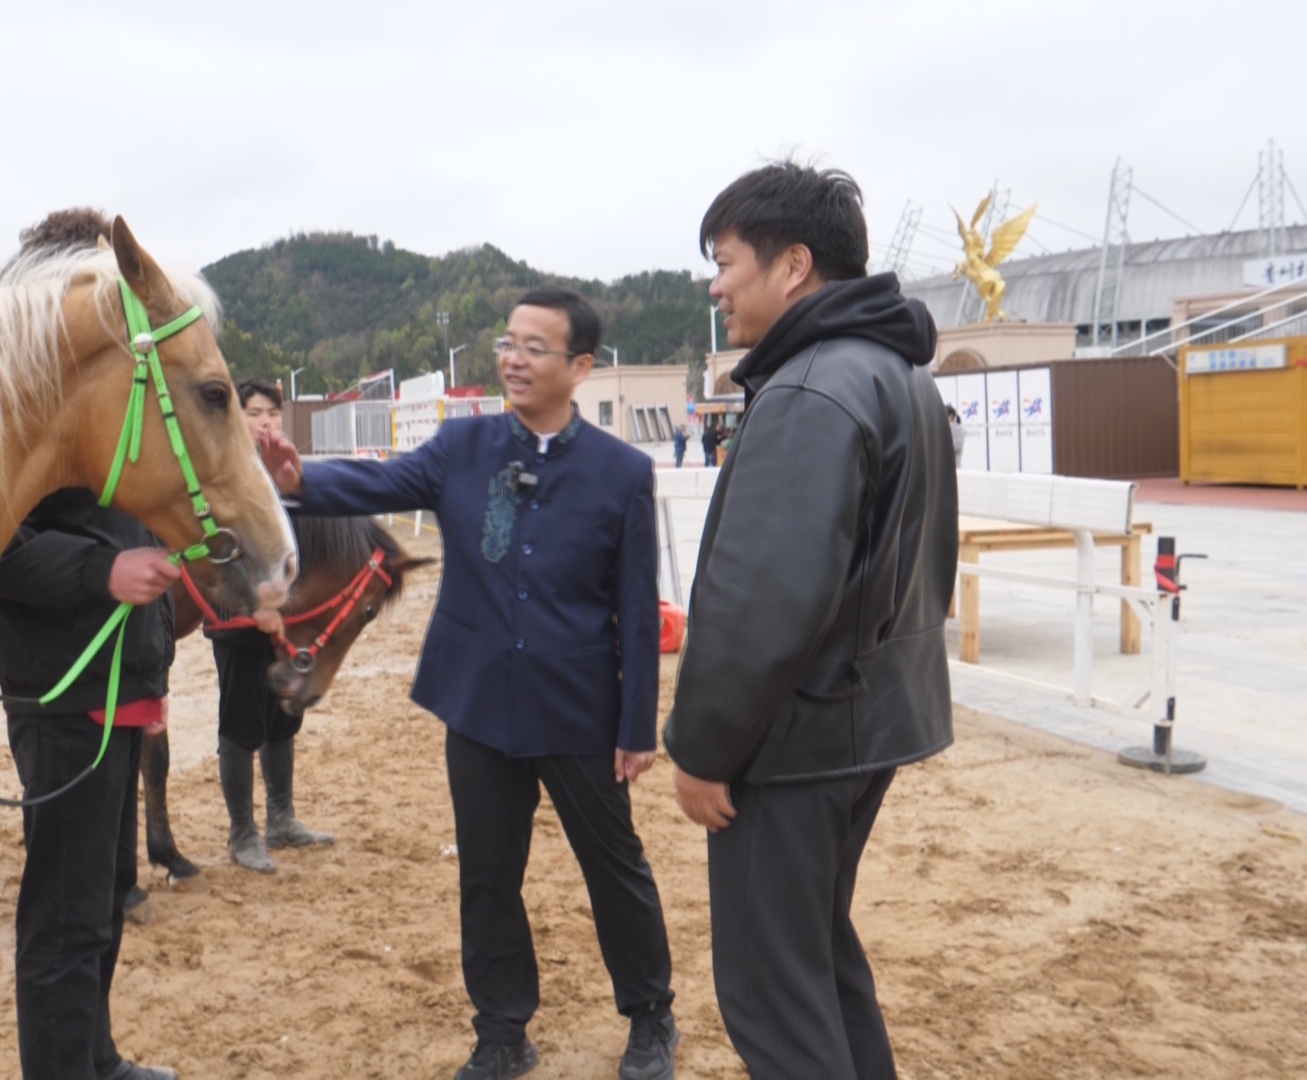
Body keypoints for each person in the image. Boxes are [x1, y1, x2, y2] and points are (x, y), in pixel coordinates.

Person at [259, 287, 680, 1080]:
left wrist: (636, 727)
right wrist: (297, 480)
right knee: (487, 876)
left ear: (580, 367)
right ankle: (501, 1031)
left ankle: (651, 1015)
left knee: (614, 866)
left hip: (580, 708)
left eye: (535, 348)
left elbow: (635, 605)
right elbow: (377, 484)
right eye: (507, 343)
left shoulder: (620, 472)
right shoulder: (462, 445)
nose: (514, 360)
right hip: (479, 703)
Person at [664, 161, 958, 1080]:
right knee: (818, 961)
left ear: (793, 266)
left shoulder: (809, 389)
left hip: (796, 741)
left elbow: (762, 603)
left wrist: (702, 749)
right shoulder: (897, 375)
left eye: (725, 263)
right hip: (865, 723)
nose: (716, 287)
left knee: (772, 995)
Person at [0, 209, 180, 1080]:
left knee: (102, 896)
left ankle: (96, 1057)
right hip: (63, 686)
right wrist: (104, 574)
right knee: (63, 915)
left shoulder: (104, 401)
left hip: (120, 681)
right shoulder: (11, 412)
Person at [214, 376, 334, 874]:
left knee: (283, 718)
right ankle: (242, 832)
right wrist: (252, 605)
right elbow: (218, 550)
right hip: (237, 617)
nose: (265, 421)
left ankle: (281, 818)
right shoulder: (224, 473)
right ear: (236, 418)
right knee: (241, 725)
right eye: (254, 413)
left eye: (272, 413)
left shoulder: (287, 470)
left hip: (287, 620)